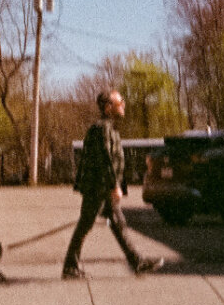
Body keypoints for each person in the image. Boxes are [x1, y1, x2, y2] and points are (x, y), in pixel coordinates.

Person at [63, 89, 163, 279]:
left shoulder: (108, 128)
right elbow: (106, 160)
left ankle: (137, 262)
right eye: (120, 102)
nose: (124, 105)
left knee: (118, 223)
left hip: (102, 187)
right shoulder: (103, 129)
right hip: (98, 188)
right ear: (109, 108)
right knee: (85, 225)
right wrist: (113, 186)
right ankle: (70, 267)